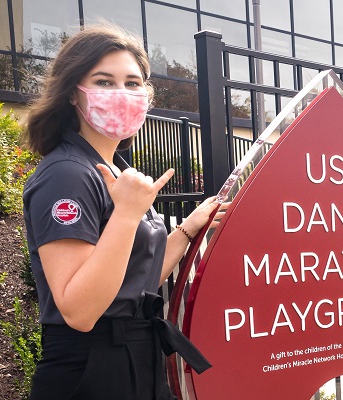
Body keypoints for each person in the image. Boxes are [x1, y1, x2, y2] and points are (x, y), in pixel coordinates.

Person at [23, 24, 221, 400]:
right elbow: (80, 310)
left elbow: (131, 282)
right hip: (91, 368)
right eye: (103, 81)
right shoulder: (67, 173)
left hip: (134, 354)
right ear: (71, 94)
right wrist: (128, 214)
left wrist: (186, 232)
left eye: (133, 83)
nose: (122, 94)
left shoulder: (113, 169)